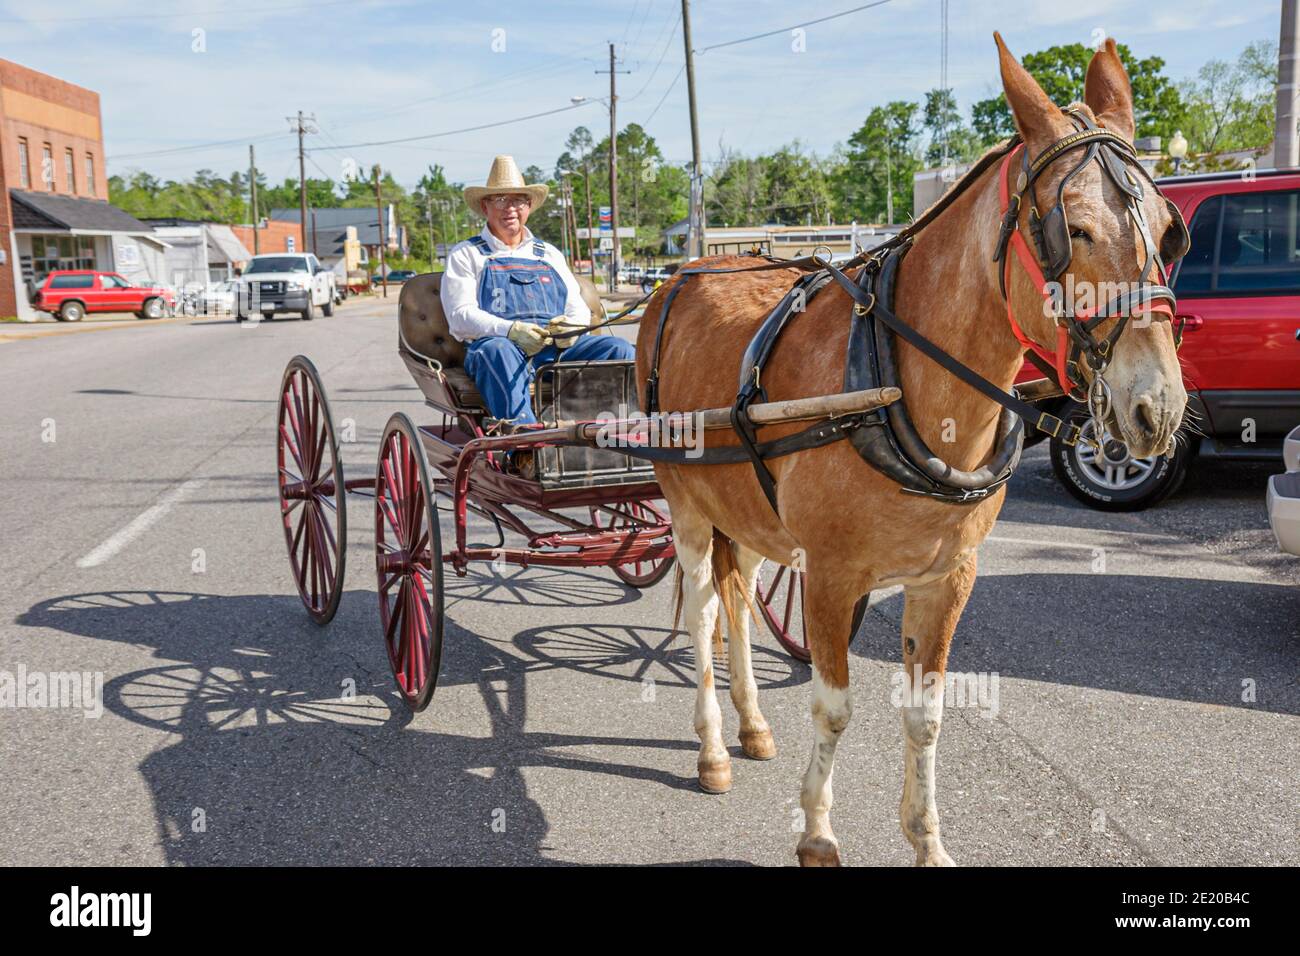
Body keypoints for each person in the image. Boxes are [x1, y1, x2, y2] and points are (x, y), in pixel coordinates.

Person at [440, 155, 634, 426]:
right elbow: (460, 316)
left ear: (529, 206)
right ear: (485, 207)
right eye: (500, 200)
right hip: (499, 349)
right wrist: (511, 331)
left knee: (619, 349)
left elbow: (575, 305)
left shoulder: (549, 254)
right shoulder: (467, 254)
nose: (510, 208)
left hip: (554, 349)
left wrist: (571, 327)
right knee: (498, 351)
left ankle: (607, 433)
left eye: (518, 200)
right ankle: (524, 442)